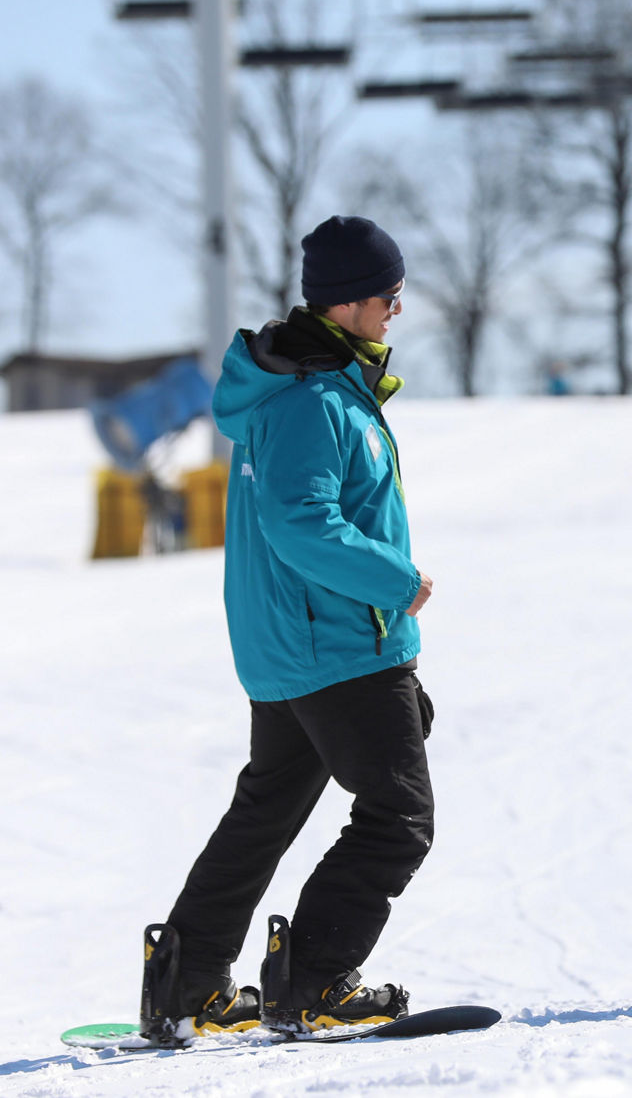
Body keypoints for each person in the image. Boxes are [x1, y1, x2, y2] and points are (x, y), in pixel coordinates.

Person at [141, 215, 436, 1042]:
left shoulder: (300, 387)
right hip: (337, 645)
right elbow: (300, 523)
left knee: (266, 813)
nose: (396, 312)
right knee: (399, 819)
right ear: (348, 303)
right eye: (389, 295)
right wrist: (397, 580)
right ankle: (313, 981)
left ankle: (187, 984)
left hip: (293, 648)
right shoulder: (312, 398)